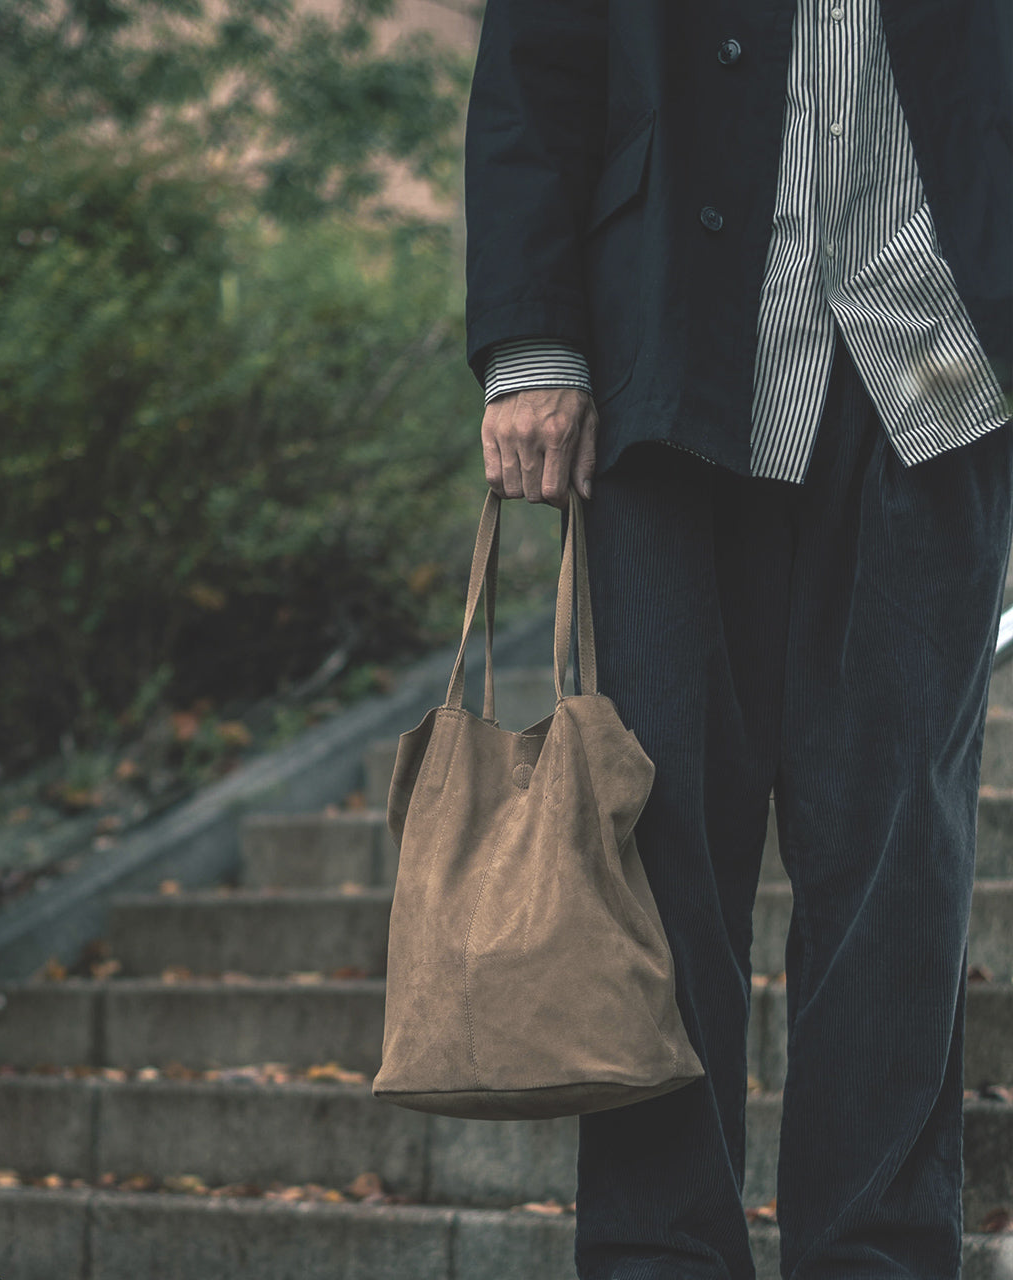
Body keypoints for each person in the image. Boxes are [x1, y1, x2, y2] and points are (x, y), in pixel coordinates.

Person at [463, 2, 1013, 1278]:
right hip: (671, 364)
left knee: (897, 859)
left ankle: (873, 1253)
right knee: (657, 843)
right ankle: (659, 1254)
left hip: (932, 376)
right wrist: (536, 342)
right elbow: (535, 75)